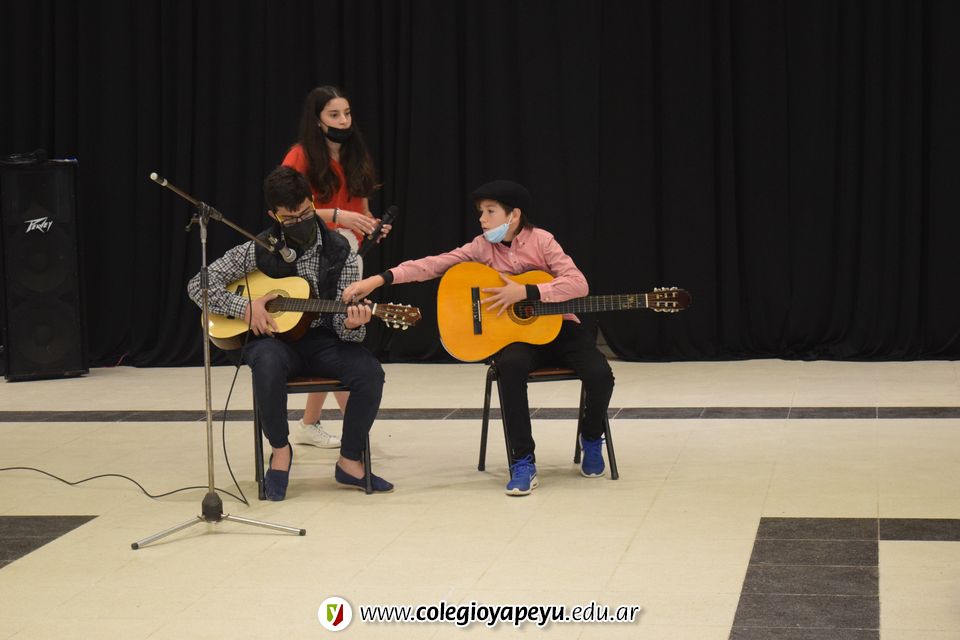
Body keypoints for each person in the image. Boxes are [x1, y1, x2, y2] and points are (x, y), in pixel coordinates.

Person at [344, 180, 614, 496]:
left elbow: (578, 284)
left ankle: (591, 437)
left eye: (490, 211)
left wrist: (527, 291)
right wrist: (379, 279)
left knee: (600, 374)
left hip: (560, 326)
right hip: (515, 336)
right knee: (510, 368)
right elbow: (433, 265)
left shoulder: (542, 241)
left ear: (514, 215)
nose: (482, 219)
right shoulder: (480, 247)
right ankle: (522, 460)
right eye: (480, 212)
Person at [187, 166, 393, 500]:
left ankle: (350, 460)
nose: (299, 221)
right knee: (266, 363)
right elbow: (199, 284)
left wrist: (352, 324)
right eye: (289, 218)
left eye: (305, 213)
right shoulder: (258, 248)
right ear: (274, 215)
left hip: (324, 341)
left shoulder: (341, 251)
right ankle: (280, 452)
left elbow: (346, 332)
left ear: (313, 202)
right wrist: (245, 308)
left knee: (370, 372)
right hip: (274, 342)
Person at [281, 85, 388, 450]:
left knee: (336, 334)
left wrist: (373, 225)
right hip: (312, 256)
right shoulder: (299, 156)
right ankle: (357, 435)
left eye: (347, 113)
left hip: (348, 254)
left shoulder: (356, 155)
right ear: (317, 121)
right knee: (333, 335)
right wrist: (339, 216)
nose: (344, 121)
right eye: (334, 115)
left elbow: (364, 210)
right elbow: (288, 211)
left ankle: (309, 423)